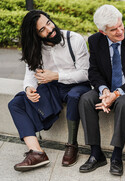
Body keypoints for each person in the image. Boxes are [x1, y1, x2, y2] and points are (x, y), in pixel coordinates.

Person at [8, 10, 91, 171]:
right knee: (16, 104)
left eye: (48, 23)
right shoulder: (35, 48)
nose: (50, 29)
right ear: (36, 36)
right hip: (51, 86)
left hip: (77, 84)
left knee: (74, 97)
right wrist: (29, 88)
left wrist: (57, 76)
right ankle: (37, 152)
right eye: (42, 30)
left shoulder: (74, 40)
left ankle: (72, 145)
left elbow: (85, 74)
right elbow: (31, 73)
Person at [78, 5, 125, 176]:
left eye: (120, 25)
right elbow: (93, 71)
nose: (119, 31)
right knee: (86, 99)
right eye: (113, 30)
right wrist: (104, 92)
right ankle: (96, 154)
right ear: (103, 32)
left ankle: (117, 155)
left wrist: (116, 94)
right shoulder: (95, 41)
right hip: (107, 88)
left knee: (124, 104)